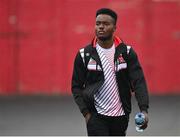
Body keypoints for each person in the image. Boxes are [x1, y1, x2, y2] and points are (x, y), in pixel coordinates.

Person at [71, 8, 149, 136]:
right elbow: (76, 86)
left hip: (121, 116)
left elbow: (139, 82)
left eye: (106, 24)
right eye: (98, 23)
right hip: (96, 117)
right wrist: (86, 113)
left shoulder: (127, 53)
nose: (101, 27)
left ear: (114, 28)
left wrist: (144, 110)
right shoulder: (84, 54)